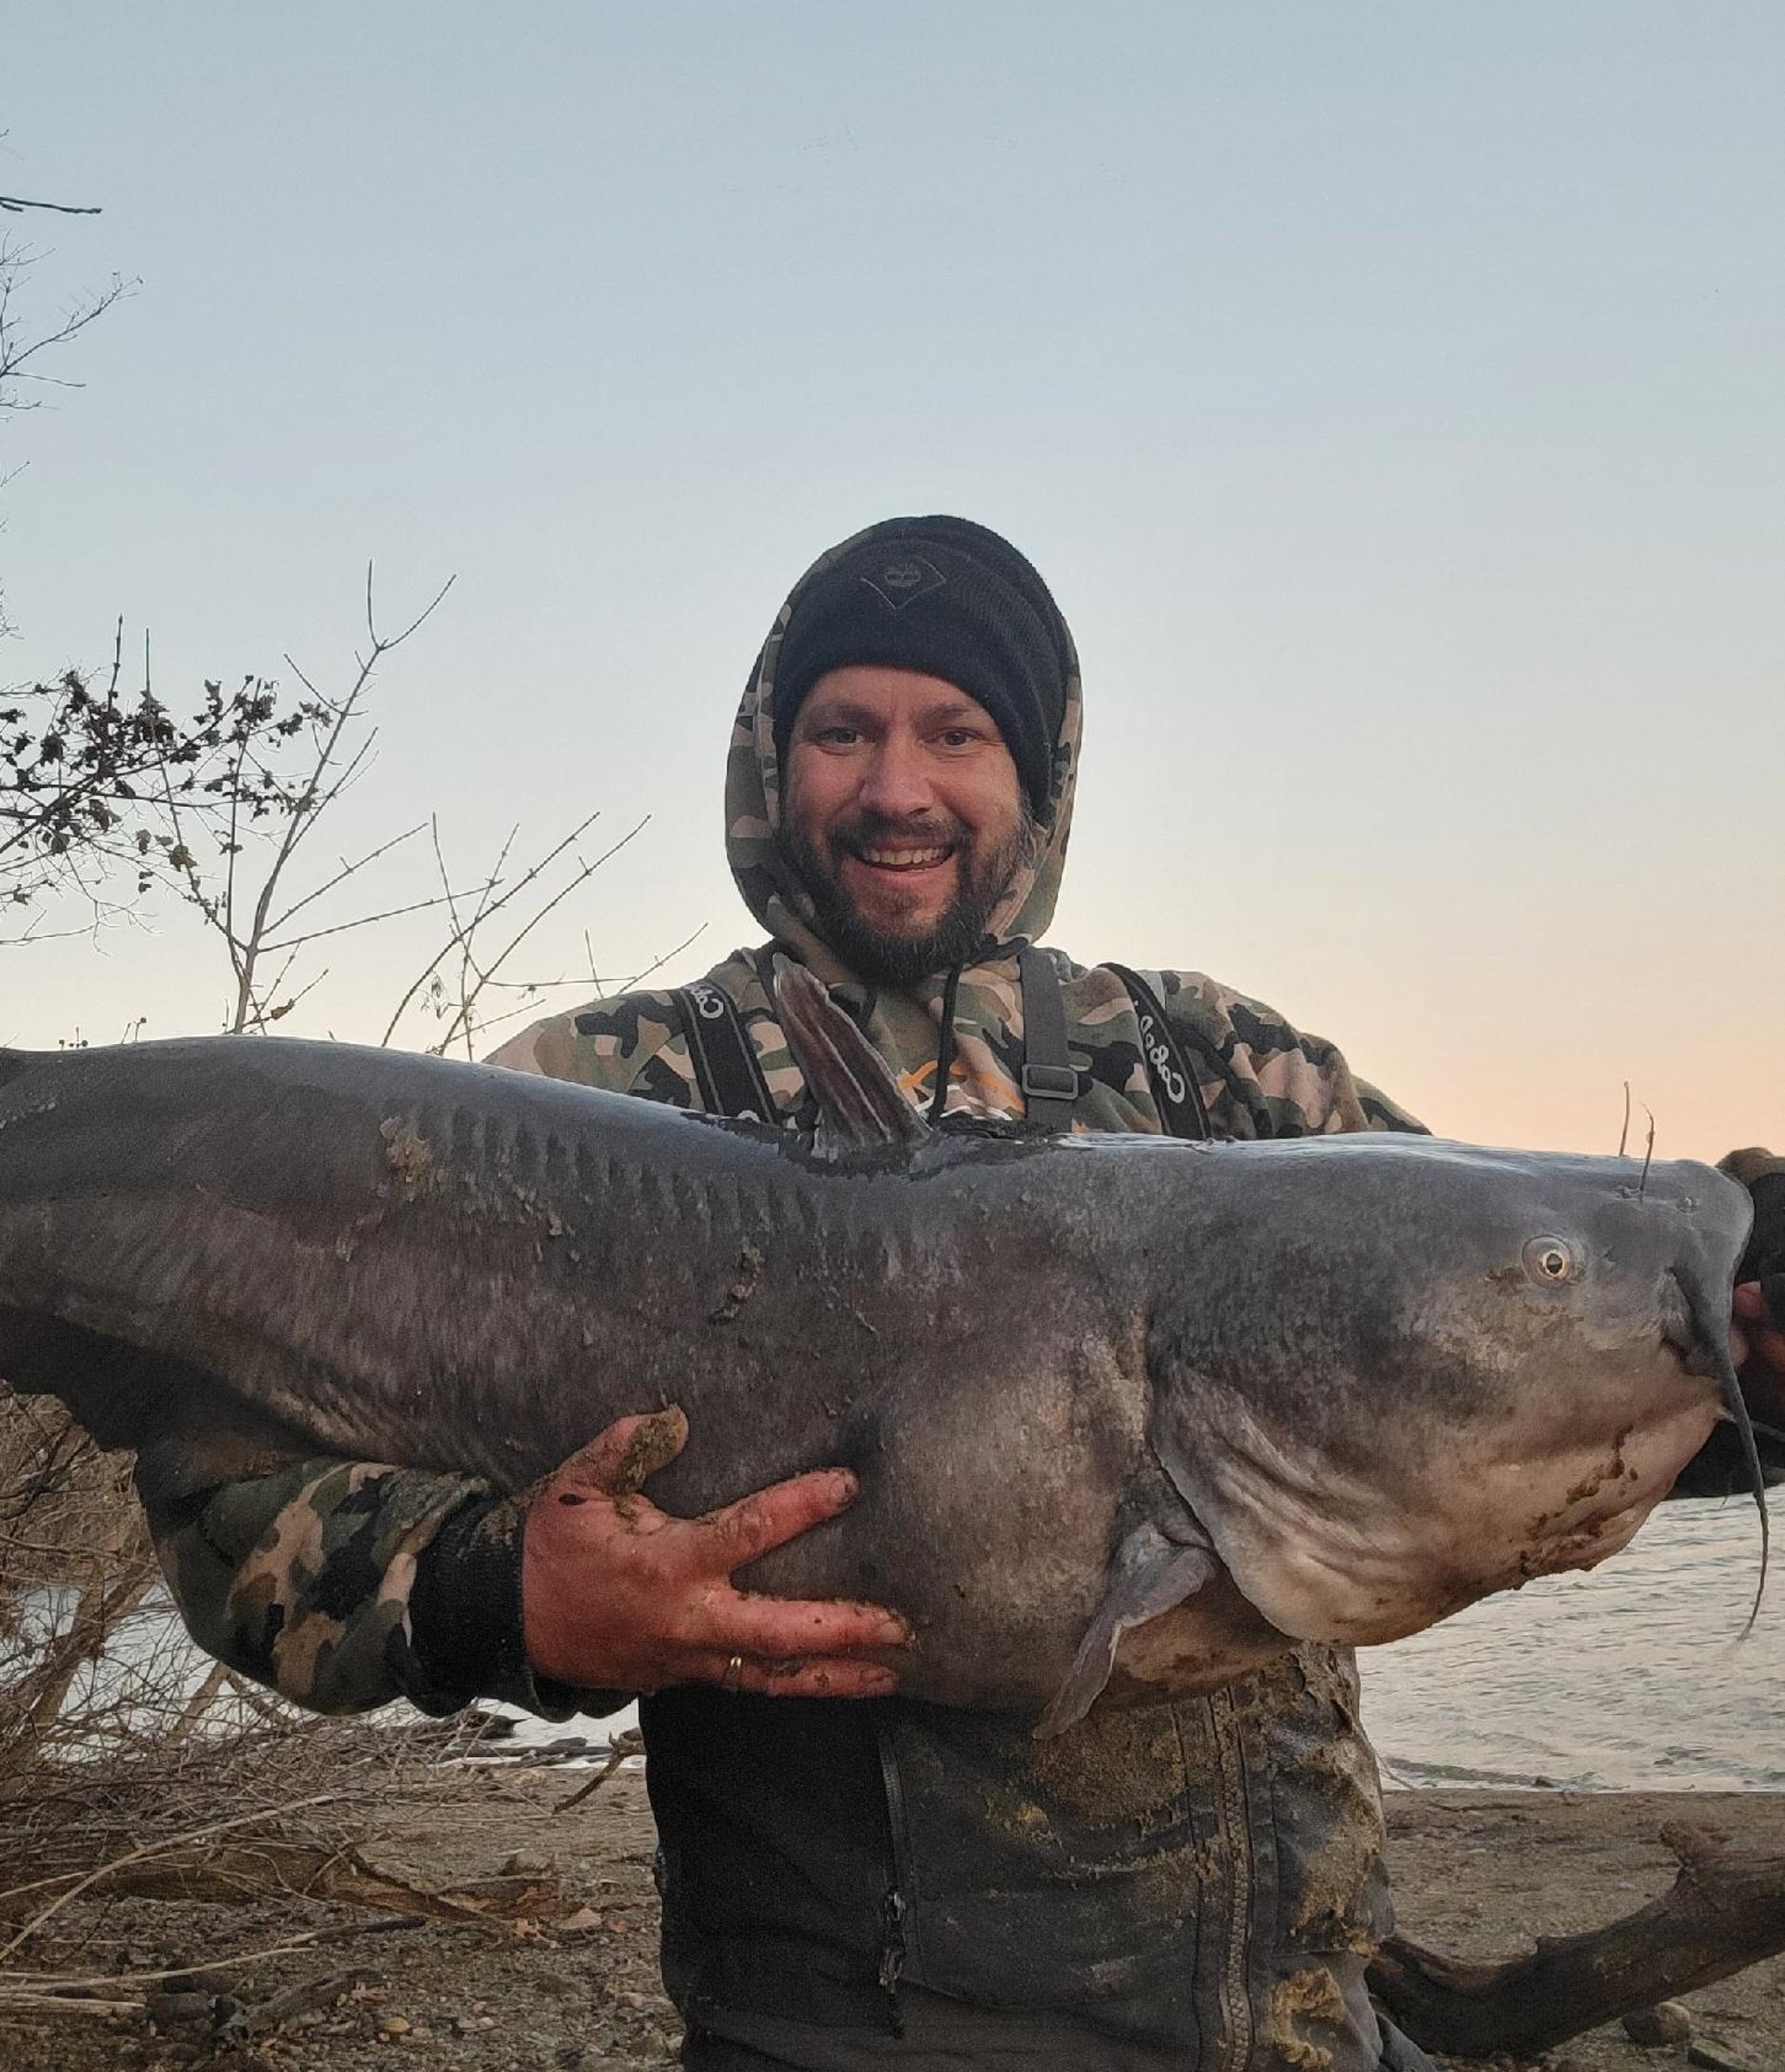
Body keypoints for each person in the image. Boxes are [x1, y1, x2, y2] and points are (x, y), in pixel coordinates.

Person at [139, 516, 1785, 2072]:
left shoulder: (1209, 1060)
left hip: (1290, 2008)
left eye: (956, 733)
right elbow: (230, 1497)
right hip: (847, 2033)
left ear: (1038, 779)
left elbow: (1519, 1368)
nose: (897, 787)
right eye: (845, 729)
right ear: (771, 764)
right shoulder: (592, 1094)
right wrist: (508, 1597)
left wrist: (1750, 1339)